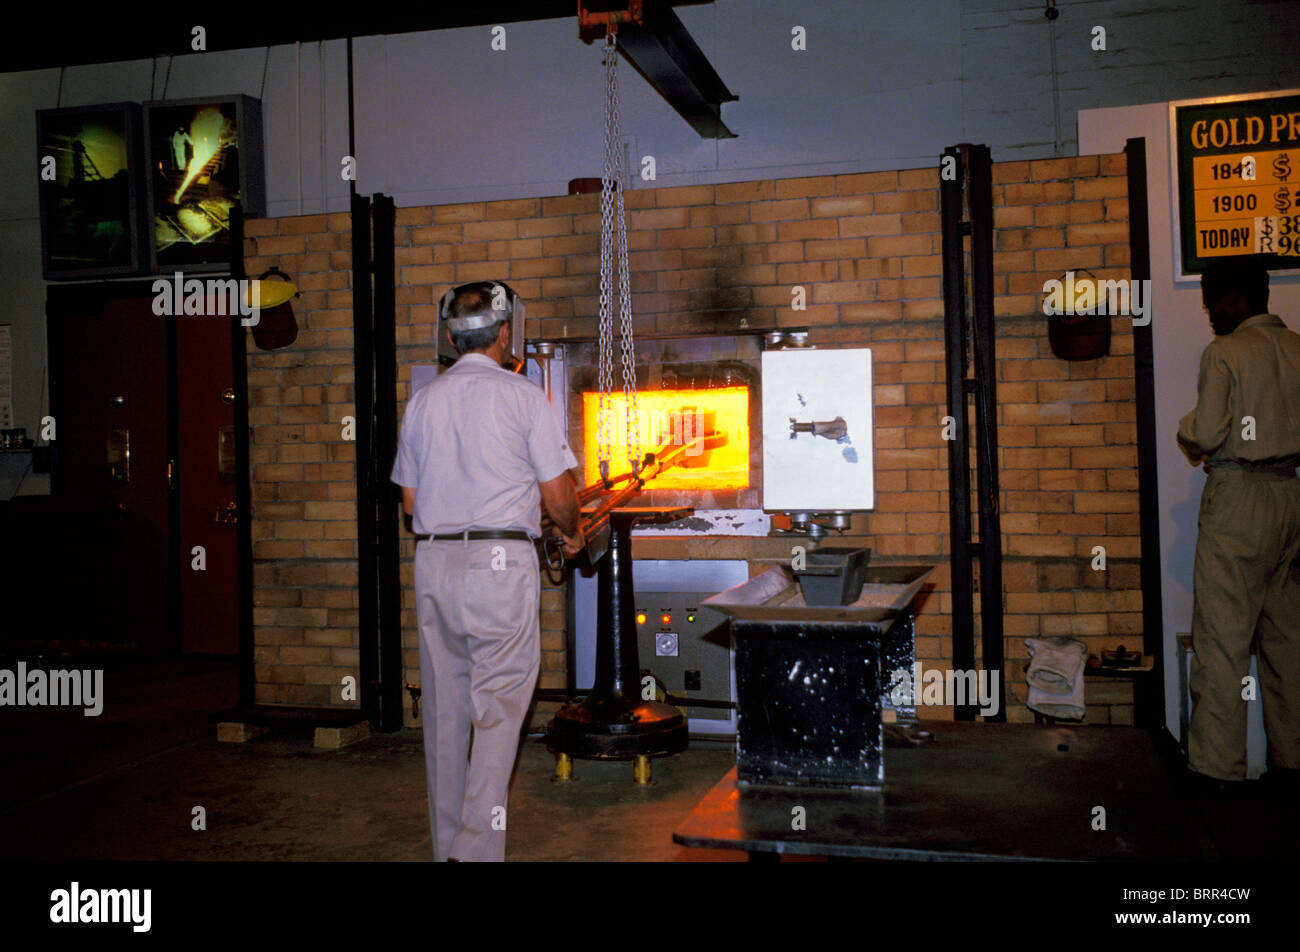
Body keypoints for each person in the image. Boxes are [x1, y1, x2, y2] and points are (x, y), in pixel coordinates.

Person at [391, 281, 584, 861]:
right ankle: (473, 854)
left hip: (434, 561)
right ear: (506, 333)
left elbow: (408, 503)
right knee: (498, 713)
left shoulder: (423, 401)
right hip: (499, 566)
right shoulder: (523, 398)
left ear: (450, 337)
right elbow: (559, 495)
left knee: (446, 712)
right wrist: (570, 531)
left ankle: (448, 845)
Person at [1177, 258, 1300, 791]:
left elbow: (1204, 433)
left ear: (1236, 299)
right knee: (1288, 643)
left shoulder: (1225, 353)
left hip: (1240, 498)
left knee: (1223, 644)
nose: (1210, 314)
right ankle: (1292, 764)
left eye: (1212, 302)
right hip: (1292, 495)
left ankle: (1216, 777)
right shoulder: (1297, 350)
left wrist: (1186, 427)